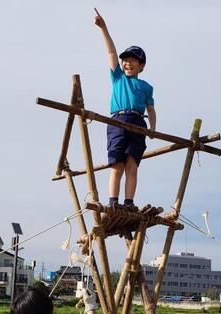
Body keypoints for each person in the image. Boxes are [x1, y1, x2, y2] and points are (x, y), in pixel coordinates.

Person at [94, 8, 156, 211]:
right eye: (125, 60)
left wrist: (152, 129)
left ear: (141, 66)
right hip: (117, 121)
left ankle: (128, 202)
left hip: (138, 122)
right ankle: (113, 201)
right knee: (117, 166)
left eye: (133, 60)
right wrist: (104, 28)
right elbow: (111, 51)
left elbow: (151, 109)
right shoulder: (118, 77)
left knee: (132, 166)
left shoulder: (146, 87)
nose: (127, 63)